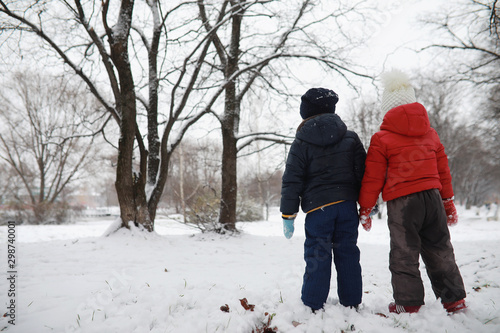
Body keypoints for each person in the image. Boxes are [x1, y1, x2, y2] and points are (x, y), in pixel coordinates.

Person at [358, 70, 467, 314]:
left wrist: (366, 208)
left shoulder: (381, 138)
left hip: (402, 203)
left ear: (387, 108)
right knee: (440, 248)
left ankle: (408, 303)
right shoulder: (431, 134)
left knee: (404, 253)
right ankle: (454, 299)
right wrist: (448, 203)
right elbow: (443, 172)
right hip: (433, 198)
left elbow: (372, 178)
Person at [280, 87, 366, 311]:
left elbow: (292, 180)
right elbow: (363, 173)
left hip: (319, 210)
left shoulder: (301, 142)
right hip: (347, 206)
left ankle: (313, 302)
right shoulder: (350, 138)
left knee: (318, 255)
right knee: (348, 252)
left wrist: (288, 214)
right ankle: (351, 301)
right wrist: (367, 204)